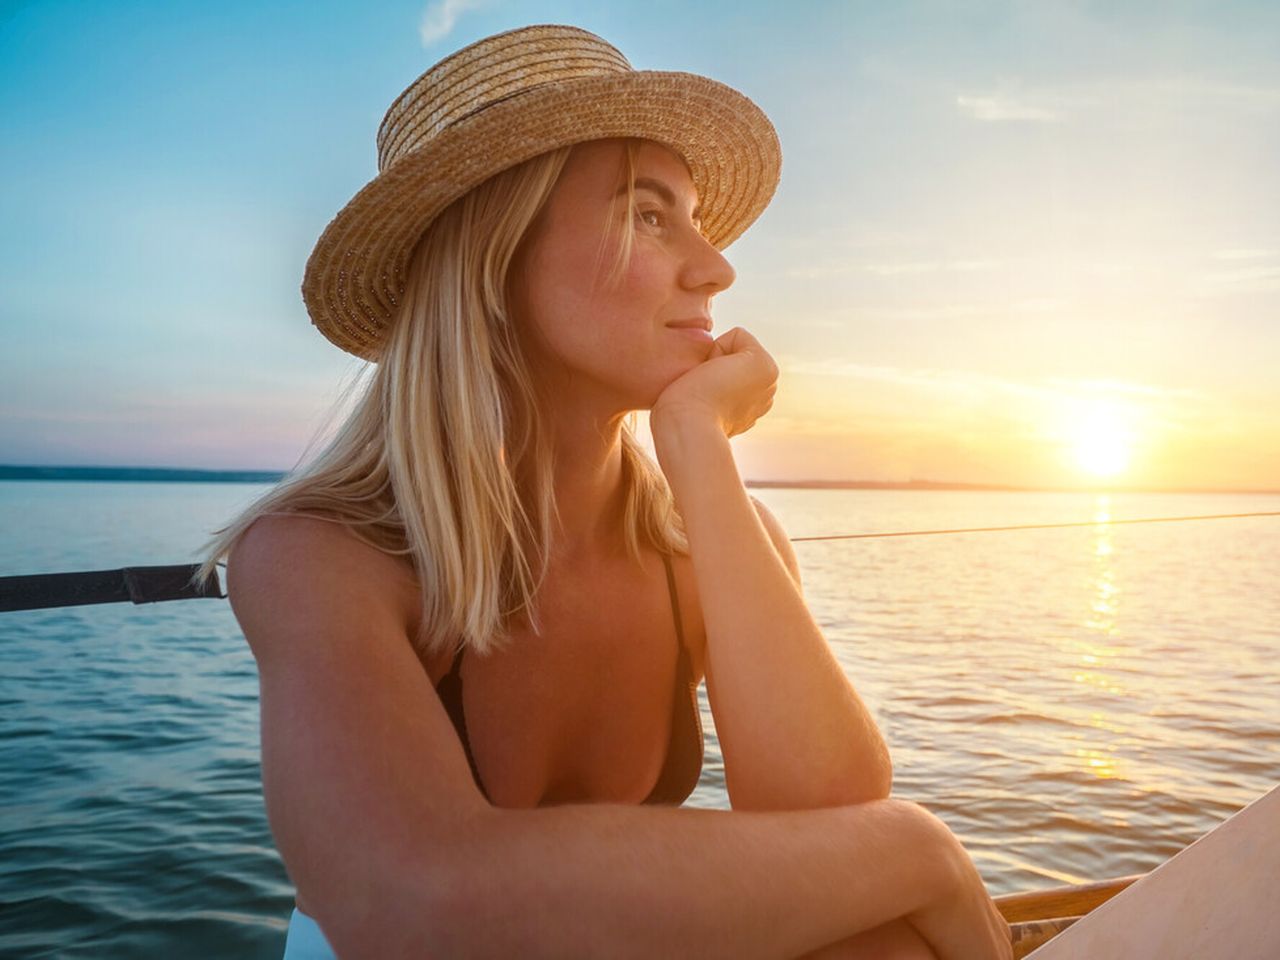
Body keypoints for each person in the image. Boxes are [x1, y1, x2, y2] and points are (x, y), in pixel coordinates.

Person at [199, 24, 1011, 960]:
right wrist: (924, 848)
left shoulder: (708, 537)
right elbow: (410, 905)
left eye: (697, 219)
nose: (715, 268)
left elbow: (832, 817)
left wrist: (698, 448)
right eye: (649, 215)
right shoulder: (319, 555)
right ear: (496, 263)